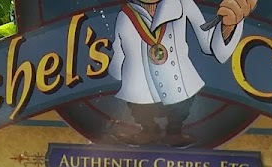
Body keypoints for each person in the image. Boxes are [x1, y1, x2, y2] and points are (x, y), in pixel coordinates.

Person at [108, 0, 258, 146]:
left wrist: (228, 24)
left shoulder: (182, 4)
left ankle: (174, 132)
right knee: (138, 104)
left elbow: (210, 45)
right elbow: (118, 50)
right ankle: (148, 130)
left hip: (177, 80)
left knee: (180, 107)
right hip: (139, 83)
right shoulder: (125, 14)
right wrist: (118, 74)